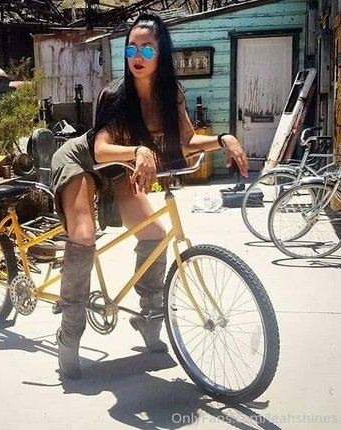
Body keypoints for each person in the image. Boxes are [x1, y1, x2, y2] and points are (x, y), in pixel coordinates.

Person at [50, 12, 249, 380]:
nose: (137, 56)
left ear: (161, 53)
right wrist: (139, 151)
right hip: (83, 161)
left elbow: (187, 141)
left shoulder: (171, 95)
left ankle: (149, 318)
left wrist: (224, 139)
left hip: (121, 169)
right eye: (131, 48)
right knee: (84, 235)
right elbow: (100, 149)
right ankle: (69, 334)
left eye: (146, 48)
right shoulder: (115, 95)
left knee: (155, 235)